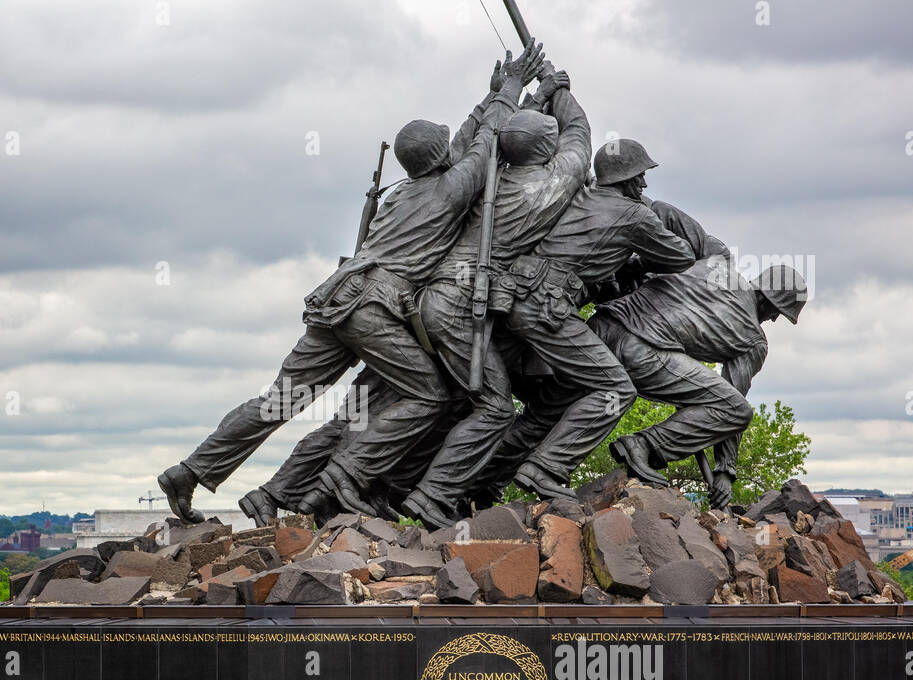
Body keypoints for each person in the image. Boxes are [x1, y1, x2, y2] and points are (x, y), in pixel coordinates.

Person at [157, 43, 546, 523]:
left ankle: (191, 470)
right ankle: (350, 474)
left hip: (336, 298)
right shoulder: (449, 191)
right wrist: (511, 89)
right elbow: (482, 146)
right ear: (441, 156)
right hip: (373, 307)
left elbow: (466, 141)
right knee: (429, 396)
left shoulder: (403, 191)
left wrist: (490, 97)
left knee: (280, 400)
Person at [398, 65, 590, 528]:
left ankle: (424, 488)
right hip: (460, 304)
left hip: (434, 299)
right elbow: (580, 139)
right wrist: (561, 93)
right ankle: (431, 496)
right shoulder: (546, 186)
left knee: (460, 399)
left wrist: (533, 94)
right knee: (496, 408)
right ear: (546, 152)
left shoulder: (488, 175)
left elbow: (501, 136)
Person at [465, 139, 697, 514]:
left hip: (518, 298)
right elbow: (681, 256)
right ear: (626, 179)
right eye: (640, 176)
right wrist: (639, 255)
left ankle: (482, 480)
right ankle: (546, 468)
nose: (645, 185)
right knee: (616, 389)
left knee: (549, 406)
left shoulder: (581, 196)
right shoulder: (636, 215)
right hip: (547, 306)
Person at [589, 244, 807, 508]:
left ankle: (532, 457)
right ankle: (643, 446)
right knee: (736, 410)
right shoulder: (753, 339)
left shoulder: (715, 267)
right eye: (777, 313)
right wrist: (725, 471)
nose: (773, 320)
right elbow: (732, 403)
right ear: (770, 302)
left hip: (599, 328)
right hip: (640, 352)